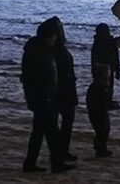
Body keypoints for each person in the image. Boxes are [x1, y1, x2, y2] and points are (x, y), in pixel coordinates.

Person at [20, 17, 73, 174]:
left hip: (43, 98)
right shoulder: (40, 54)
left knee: (41, 132)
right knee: (51, 133)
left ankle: (31, 163)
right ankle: (55, 163)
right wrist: (47, 97)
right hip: (43, 99)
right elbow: (38, 78)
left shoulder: (39, 51)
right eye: (53, 37)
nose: (55, 39)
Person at [52, 19, 78, 167]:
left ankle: (61, 151)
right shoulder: (59, 49)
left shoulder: (53, 48)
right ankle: (60, 152)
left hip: (62, 90)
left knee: (62, 124)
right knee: (64, 123)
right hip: (63, 91)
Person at [91, 22, 120, 109]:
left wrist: (118, 69)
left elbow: (116, 55)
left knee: (107, 86)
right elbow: (116, 56)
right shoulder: (108, 42)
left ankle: (106, 101)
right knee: (104, 86)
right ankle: (105, 101)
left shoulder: (98, 42)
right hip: (104, 67)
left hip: (105, 67)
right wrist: (118, 69)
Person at [86, 63, 113, 158]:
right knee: (102, 130)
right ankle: (100, 149)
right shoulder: (97, 88)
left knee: (104, 130)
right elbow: (98, 101)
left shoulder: (97, 87)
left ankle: (101, 148)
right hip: (97, 112)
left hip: (99, 111)